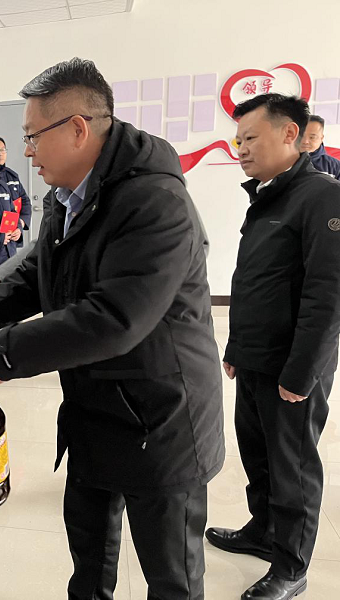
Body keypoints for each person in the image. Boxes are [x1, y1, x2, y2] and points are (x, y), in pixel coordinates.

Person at [0, 58, 224, 600]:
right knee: (89, 561)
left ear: (77, 129)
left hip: (160, 417)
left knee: (172, 576)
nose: (26, 151)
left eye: (32, 136)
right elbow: (38, 271)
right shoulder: (67, 193)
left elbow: (115, 317)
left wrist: (3, 354)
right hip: (94, 409)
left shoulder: (155, 202)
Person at [205, 94, 340, 600]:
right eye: (237, 139)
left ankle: (291, 566)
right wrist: (236, 347)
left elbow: (328, 296)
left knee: (293, 467)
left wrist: (302, 372)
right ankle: (263, 531)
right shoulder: (267, 196)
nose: (240, 148)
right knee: (258, 454)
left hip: (292, 366)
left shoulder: (322, 196)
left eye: (250, 138)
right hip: (256, 358)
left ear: (289, 134)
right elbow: (256, 281)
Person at [0, 135, 32, 245]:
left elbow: (25, 201)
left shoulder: (12, 176)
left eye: (3, 150)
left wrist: (21, 223)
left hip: (12, 235)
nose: (0, 153)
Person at [300, 114, 340, 179]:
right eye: (301, 136)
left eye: (312, 137)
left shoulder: (335, 166)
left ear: (321, 138)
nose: (305, 141)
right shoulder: (284, 161)